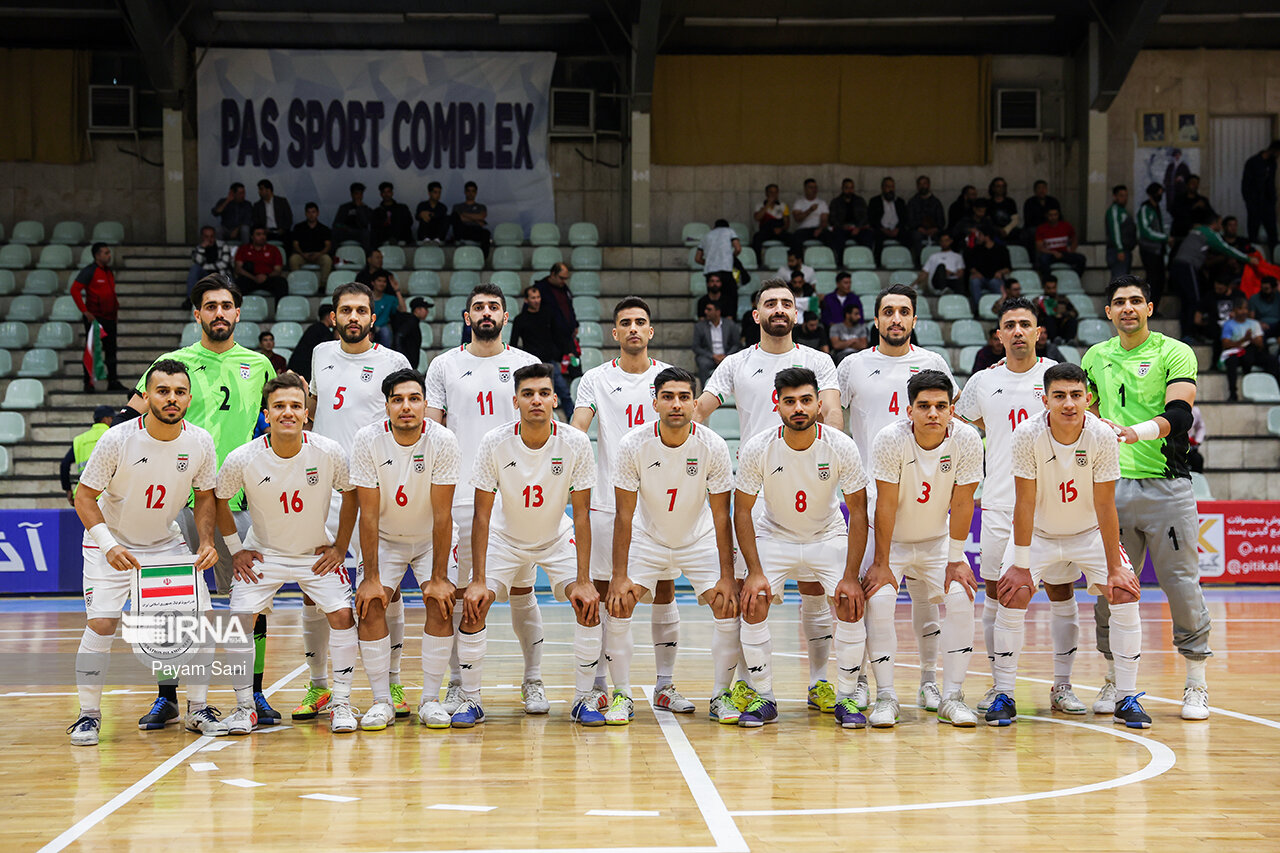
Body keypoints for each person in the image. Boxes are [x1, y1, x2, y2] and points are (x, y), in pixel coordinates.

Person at [128, 274, 278, 728]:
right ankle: (167, 695)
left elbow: (273, 429)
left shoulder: (260, 364)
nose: (218, 313)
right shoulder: (171, 364)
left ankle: (252, 694)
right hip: (178, 500)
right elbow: (135, 423)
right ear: (197, 314)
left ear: (238, 313)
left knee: (250, 602)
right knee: (167, 601)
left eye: (226, 306)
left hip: (238, 499)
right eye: (209, 306)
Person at [697, 280, 843, 715]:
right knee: (748, 592)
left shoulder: (817, 361)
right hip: (756, 490)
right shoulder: (736, 364)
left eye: (787, 303)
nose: (779, 309)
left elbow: (832, 409)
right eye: (770, 304)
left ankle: (819, 682)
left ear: (796, 314)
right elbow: (701, 410)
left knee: (816, 589)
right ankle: (750, 685)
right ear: (756, 315)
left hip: (810, 486)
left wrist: (833, 449)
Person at [67, 360, 223, 746]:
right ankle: (88, 716)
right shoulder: (117, 439)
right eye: (163, 391)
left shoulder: (200, 441)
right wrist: (109, 544)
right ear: (147, 395)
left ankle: (197, 708)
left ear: (188, 398)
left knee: (201, 619)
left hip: (164, 544)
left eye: (180, 392)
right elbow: (83, 498)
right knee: (102, 625)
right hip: (112, 543)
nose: (172, 398)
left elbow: (204, 498)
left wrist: (205, 542)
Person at [987, 363, 1150, 729]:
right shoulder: (1026, 434)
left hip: (1089, 532)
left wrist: (1114, 567)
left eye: (1076, 395)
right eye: (1059, 396)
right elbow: (1024, 502)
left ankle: (1128, 696)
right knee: (1012, 593)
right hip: (1040, 534)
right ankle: (1004, 693)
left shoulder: (1102, 436)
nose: (1069, 404)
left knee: (1124, 592)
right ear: (1045, 399)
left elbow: (1106, 504)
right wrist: (1022, 564)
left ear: (1088, 398)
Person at [1082, 275, 1212, 721]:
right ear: (1108, 312)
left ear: (1149, 308)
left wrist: (1133, 433)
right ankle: (1115, 679)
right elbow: (1090, 414)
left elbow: (1180, 413)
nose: (1128, 308)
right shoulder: (1095, 356)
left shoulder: (1175, 352)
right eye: (1119, 302)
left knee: (1180, 585)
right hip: (1110, 489)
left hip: (1166, 486)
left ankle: (1196, 683)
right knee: (1109, 587)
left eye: (1136, 301)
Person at [956, 299, 1084, 715]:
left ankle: (1062, 686)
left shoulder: (1055, 378)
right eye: (1008, 325)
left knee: (1061, 593)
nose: (1016, 332)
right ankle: (1000, 687)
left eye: (1024, 325)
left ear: (1037, 332)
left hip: (1052, 509)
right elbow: (967, 421)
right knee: (998, 595)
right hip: (998, 504)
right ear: (998, 335)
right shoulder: (981, 381)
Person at [216, 372, 362, 735]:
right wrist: (236, 550)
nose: (288, 413)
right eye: (279, 406)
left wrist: (341, 546)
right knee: (239, 621)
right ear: (266, 414)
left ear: (306, 413)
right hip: (264, 555)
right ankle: (244, 707)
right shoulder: (242, 457)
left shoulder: (328, 451)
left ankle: (341, 703)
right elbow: (220, 500)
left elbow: (352, 495)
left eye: (295, 406)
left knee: (343, 615)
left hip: (315, 554)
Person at [424, 285, 544, 716]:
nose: (486, 313)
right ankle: (458, 684)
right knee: (459, 594)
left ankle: (533, 681)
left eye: (493, 307)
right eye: (478, 307)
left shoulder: (525, 365)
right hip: (459, 494)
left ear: (506, 317)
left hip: (515, 496)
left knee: (521, 590)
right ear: (466, 316)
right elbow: (431, 431)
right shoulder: (444, 365)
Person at [837, 283, 956, 712]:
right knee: (873, 597)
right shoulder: (852, 365)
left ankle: (929, 683)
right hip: (869, 503)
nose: (896, 319)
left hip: (925, 502)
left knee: (928, 600)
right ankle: (869, 681)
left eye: (903, 312)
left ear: (914, 321)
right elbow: (833, 416)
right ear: (875, 320)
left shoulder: (933, 363)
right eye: (888, 311)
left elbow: (949, 419)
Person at [295, 281, 412, 720]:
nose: (354, 318)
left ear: (373, 318)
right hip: (323, 489)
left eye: (361, 311)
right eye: (346, 310)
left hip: (375, 489)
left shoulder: (393, 362)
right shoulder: (321, 354)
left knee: (386, 588)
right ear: (334, 317)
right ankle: (319, 686)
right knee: (315, 586)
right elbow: (316, 409)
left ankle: (394, 684)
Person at [734, 367, 871, 728]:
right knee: (753, 600)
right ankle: (764, 697)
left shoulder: (841, 445)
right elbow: (743, 510)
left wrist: (852, 576)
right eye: (790, 401)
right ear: (776, 405)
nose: (799, 408)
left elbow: (858, 510)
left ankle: (846, 698)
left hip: (827, 535)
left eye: (806, 400)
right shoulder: (758, 447)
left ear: (819, 404)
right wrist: (754, 572)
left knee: (849, 603)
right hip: (774, 535)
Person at [464, 363, 599, 726]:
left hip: (556, 538)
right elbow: (480, 515)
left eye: (543, 393)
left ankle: (583, 698)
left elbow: (583, 515)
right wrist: (477, 579)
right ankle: (470, 698)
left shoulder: (575, 441)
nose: (536, 400)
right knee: (474, 603)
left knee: (587, 603)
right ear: (516, 401)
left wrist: (584, 579)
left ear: (555, 399)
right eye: (528, 394)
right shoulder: (494, 442)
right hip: (504, 539)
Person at [603, 367, 738, 723]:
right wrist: (618, 575)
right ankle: (622, 695)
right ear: (655, 403)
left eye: (683, 397)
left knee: (726, 605)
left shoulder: (713, 445)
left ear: (695, 403)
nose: (676, 404)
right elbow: (623, 516)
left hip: (698, 539)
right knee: (618, 605)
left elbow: (722, 516)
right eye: (668, 397)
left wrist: (727, 574)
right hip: (649, 540)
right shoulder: (633, 444)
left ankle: (720, 695)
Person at [571, 299, 685, 712]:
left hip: (660, 506)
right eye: (625, 323)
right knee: (604, 593)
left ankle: (665, 685)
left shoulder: (668, 379)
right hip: (607, 502)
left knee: (664, 591)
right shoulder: (595, 379)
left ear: (651, 332)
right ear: (614, 334)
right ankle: (601, 684)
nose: (633, 328)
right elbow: (577, 428)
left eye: (640, 322)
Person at [863, 369, 982, 728]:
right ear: (909, 409)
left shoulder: (968, 439)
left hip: (935, 539)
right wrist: (881, 563)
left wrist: (956, 559)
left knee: (960, 597)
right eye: (924, 406)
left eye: (941, 406)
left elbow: (963, 503)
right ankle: (885, 697)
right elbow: (884, 504)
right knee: (879, 601)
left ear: (950, 410)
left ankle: (950, 695)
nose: (933, 413)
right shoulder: (889, 439)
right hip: (891, 540)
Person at [349, 369, 460, 729]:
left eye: (414, 399)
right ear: (387, 407)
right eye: (398, 400)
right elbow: (367, 515)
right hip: (383, 536)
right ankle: (382, 700)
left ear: (426, 404)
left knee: (441, 604)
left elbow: (443, 515)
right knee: (370, 604)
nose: (406, 407)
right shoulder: (367, 440)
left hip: (431, 538)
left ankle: (430, 699)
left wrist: (440, 578)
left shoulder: (443, 440)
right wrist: (371, 577)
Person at [1171, 214, 1258, 341]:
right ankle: (1189, 333)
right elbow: (1226, 248)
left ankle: (1186, 333)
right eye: (1220, 223)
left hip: (1177, 266)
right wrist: (1248, 259)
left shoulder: (1197, 231)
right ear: (1215, 223)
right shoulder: (1209, 233)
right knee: (1193, 300)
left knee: (1186, 301)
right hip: (1187, 266)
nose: (1221, 227)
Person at [510, 284, 576, 411]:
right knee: (529, 396)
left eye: (538, 297)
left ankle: (573, 424)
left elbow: (559, 334)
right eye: (533, 297)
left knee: (565, 394)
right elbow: (513, 342)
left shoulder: (548, 314)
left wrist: (569, 351)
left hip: (549, 362)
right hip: (529, 364)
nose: (536, 300)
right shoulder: (521, 319)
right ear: (526, 300)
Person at [72, 242, 124, 392]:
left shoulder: (108, 271)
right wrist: (85, 311)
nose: (109, 255)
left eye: (109, 253)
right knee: (92, 350)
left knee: (111, 351)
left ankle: (113, 381)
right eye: (106, 253)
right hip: (95, 318)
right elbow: (74, 290)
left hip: (109, 318)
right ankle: (88, 383)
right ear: (97, 255)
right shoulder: (89, 271)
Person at [1221, 297, 1280, 401]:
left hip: (1253, 352)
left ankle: (1275, 389)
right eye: (1240, 309)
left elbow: (1260, 344)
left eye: (1245, 309)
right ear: (1234, 310)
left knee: (1272, 360)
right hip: (1237, 352)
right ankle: (1233, 393)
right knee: (1231, 362)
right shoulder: (1228, 325)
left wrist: (1251, 339)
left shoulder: (1254, 324)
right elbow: (1226, 344)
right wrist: (1243, 339)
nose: (1243, 311)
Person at [61, 405, 116, 505]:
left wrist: (68, 489)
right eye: (112, 418)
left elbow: (64, 464)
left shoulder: (80, 440)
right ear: (105, 419)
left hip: (84, 495)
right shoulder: (114, 435)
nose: (114, 421)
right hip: (108, 495)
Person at [1136, 183, 1171, 311]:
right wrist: (1164, 238)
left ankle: (1152, 308)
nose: (1160, 195)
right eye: (1158, 192)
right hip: (1149, 249)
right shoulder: (1146, 209)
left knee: (1159, 280)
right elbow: (1146, 230)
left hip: (1158, 250)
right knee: (1153, 279)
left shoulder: (1155, 209)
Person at [693, 299, 741, 386]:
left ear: (718, 312)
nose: (705, 312)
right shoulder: (700, 326)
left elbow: (736, 344)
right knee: (703, 363)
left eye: (709, 309)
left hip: (727, 355)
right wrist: (713, 356)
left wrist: (726, 356)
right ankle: (705, 392)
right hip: (709, 357)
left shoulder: (730, 325)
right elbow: (696, 347)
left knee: (736, 362)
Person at [1241, 140, 1280, 247]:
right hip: (1255, 202)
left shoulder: (1272, 163)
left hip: (1267, 202)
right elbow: (1246, 184)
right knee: (1253, 231)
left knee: (1272, 233)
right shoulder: (1253, 162)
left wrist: (1272, 199)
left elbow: (1270, 182)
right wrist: (1250, 201)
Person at [965, 227, 1012, 316]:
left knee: (997, 284)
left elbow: (1008, 268)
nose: (978, 237)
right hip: (980, 278)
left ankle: (1001, 310)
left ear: (987, 236)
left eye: (980, 235)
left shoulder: (1001, 249)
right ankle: (978, 309)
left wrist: (1000, 272)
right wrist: (975, 272)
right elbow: (970, 266)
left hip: (995, 277)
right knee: (974, 282)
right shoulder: (976, 249)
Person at [234, 226, 287, 303]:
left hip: (268, 278)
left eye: (264, 234)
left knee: (282, 283)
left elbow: (278, 270)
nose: (262, 237)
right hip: (250, 278)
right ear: (252, 236)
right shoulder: (243, 249)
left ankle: (280, 311)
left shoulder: (274, 249)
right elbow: (238, 269)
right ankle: (240, 312)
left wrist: (266, 276)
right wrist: (254, 278)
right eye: (258, 234)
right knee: (239, 283)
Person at [187, 226, 236, 308]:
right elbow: (198, 261)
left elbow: (224, 263)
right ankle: (190, 299)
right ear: (202, 237)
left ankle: (232, 301)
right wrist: (202, 248)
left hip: (221, 273)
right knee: (194, 269)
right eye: (206, 237)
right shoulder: (199, 248)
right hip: (205, 275)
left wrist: (206, 266)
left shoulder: (223, 246)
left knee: (229, 277)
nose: (209, 239)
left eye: (212, 236)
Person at [532, 262, 579, 346]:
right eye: (561, 278)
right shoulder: (540, 288)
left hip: (566, 335)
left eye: (565, 279)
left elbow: (569, 307)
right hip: (549, 337)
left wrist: (574, 324)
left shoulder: (564, 288)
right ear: (553, 274)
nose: (563, 281)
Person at [904, 175, 945, 265]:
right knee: (915, 236)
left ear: (929, 185)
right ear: (917, 186)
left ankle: (940, 262)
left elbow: (941, 221)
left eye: (925, 183)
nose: (923, 186)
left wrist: (935, 228)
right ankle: (919, 262)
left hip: (934, 230)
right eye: (920, 184)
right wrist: (919, 228)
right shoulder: (912, 202)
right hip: (918, 230)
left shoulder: (936, 202)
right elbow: (910, 220)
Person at [1034, 207, 1086, 279]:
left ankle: (1075, 279)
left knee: (1081, 258)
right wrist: (1053, 252)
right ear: (1046, 216)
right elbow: (1039, 247)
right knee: (1043, 260)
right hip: (1050, 254)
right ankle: (1048, 281)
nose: (1053, 217)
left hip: (1063, 253)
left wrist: (1072, 250)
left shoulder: (1066, 226)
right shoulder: (1041, 228)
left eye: (1055, 215)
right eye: (1051, 215)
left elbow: (1074, 239)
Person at [288, 202, 333, 284]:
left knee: (327, 259)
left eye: (313, 212)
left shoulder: (324, 229)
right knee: (293, 259)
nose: (311, 214)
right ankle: (298, 283)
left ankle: (322, 284)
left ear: (318, 213)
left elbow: (328, 245)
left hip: (319, 255)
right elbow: (295, 244)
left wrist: (319, 254)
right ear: (305, 214)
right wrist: (302, 254)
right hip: (303, 255)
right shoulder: (298, 227)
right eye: (308, 212)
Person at [288, 302, 335, 380]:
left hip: (297, 366)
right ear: (328, 316)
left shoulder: (313, 328)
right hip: (307, 369)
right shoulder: (324, 332)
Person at [867, 177, 907, 264]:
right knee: (876, 238)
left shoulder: (900, 202)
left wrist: (897, 228)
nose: (890, 189)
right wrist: (883, 229)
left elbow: (904, 218)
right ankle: (878, 263)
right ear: (882, 188)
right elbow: (872, 218)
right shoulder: (874, 201)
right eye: (888, 187)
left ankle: (905, 261)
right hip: (881, 230)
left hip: (896, 230)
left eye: (892, 187)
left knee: (908, 237)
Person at [791, 178, 837, 253]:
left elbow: (824, 220)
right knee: (795, 238)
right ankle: (798, 261)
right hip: (804, 230)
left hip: (818, 229)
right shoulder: (799, 203)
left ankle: (832, 260)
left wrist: (820, 229)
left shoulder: (822, 203)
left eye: (815, 187)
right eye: (811, 187)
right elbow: (797, 219)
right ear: (805, 189)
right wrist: (810, 210)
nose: (814, 190)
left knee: (830, 237)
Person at [829, 177, 872, 253]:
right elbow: (832, 218)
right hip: (842, 228)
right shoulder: (836, 202)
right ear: (842, 188)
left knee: (867, 235)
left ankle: (866, 258)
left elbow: (865, 216)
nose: (849, 191)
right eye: (847, 188)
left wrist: (858, 227)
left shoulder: (860, 201)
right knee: (837, 236)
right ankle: (840, 261)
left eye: (851, 188)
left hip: (857, 228)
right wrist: (842, 226)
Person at [1034, 275, 1079, 344]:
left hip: (1062, 325)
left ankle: (1069, 340)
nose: (1051, 290)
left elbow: (1075, 313)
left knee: (1072, 321)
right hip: (1047, 328)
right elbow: (1033, 315)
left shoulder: (1063, 300)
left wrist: (1063, 315)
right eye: (1049, 288)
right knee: (1049, 320)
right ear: (1044, 288)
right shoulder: (1039, 301)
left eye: (1053, 288)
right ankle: (1053, 340)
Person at [1105, 185, 1138, 279]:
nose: (1124, 198)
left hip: (1125, 250)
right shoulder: (1114, 211)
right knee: (1119, 280)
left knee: (1123, 280)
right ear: (1115, 197)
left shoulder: (1123, 211)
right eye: (1121, 195)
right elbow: (1115, 230)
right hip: (1117, 251)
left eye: (1126, 196)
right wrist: (1119, 249)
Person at [695, 218, 741, 285]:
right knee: (729, 293)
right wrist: (731, 258)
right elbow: (738, 249)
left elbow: (697, 258)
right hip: (726, 269)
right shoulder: (730, 231)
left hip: (709, 270)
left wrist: (709, 262)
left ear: (714, 227)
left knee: (713, 293)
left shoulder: (706, 236)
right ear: (727, 226)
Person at [367, 270, 406, 348]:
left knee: (385, 332)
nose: (382, 284)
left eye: (384, 281)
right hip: (368, 327)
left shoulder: (390, 299)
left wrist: (397, 290)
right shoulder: (366, 297)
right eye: (379, 281)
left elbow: (403, 309)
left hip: (382, 328)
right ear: (373, 282)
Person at [450, 181, 491, 256]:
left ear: (476, 192)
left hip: (475, 230)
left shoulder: (481, 207)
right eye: (468, 191)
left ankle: (483, 257)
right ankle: (458, 240)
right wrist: (476, 219)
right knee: (454, 215)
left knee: (486, 233)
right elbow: (457, 218)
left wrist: (463, 214)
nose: (470, 193)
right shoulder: (457, 206)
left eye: (473, 191)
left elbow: (481, 216)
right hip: (462, 229)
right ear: (465, 192)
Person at [751, 183, 791, 256]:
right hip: (765, 231)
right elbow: (757, 218)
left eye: (776, 192)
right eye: (771, 192)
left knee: (792, 239)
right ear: (766, 193)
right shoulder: (759, 205)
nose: (774, 194)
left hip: (779, 230)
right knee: (756, 238)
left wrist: (781, 229)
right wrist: (767, 205)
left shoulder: (783, 205)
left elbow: (787, 223)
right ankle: (758, 262)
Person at [370, 181, 414, 247]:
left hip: (400, 234)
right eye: (384, 192)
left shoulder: (402, 208)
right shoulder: (377, 211)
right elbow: (374, 226)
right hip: (383, 237)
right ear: (381, 194)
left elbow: (409, 222)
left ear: (392, 193)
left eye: (388, 192)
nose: (386, 194)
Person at [332, 182, 373, 252]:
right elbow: (336, 224)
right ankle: (334, 257)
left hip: (359, 233)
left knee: (366, 233)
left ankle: (367, 257)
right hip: (345, 232)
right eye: (356, 194)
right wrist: (345, 228)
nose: (359, 196)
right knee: (334, 232)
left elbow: (365, 224)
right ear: (352, 195)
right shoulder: (344, 207)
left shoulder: (367, 209)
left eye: (361, 194)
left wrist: (360, 208)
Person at [1021, 180, 1061, 248]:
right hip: (1035, 228)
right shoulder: (1029, 202)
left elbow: (1059, 217)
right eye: (1039, 188)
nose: (1042, 190)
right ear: (1035, 190)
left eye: (1044, 188)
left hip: (1051, 227)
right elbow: (1029, 221)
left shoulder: (1053, 201)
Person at [987, 177, 1020, 241]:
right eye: (998, 186)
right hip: (995, 230)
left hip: (1009, 229)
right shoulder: (989, 203)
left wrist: (1006, 230)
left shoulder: (1010, 202)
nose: (1001, 189)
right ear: (993, 188)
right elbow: (988, 221)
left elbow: (1015, 220)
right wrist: (998, 230)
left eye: (1003, 186)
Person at [1249, 275, 1280, 340]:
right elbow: (1251, 318)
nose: (1263, 291)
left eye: (1266, 289)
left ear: (1274, 289)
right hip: (1262, 326)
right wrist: (1259, 324)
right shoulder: (1254, 298)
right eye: (1262, 288)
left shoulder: (1278, 296)